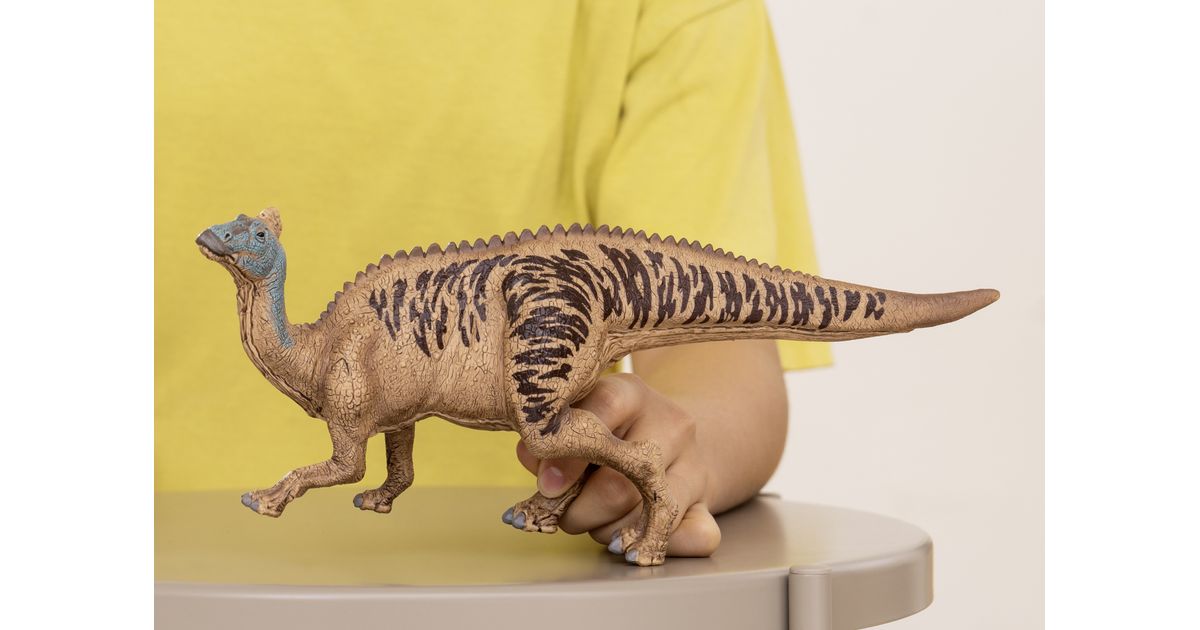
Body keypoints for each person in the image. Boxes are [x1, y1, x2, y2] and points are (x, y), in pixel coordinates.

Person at [156, 0, 831, 557]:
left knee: (548, 431)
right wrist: (395, 480)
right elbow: (395, 403)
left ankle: (631, 476)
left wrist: (677, 447)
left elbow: (718, 364)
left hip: (537, 593)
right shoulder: (350, 356)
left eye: (250, 237)